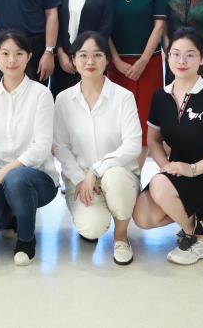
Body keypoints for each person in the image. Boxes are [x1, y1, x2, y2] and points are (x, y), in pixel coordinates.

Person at [132, 28, 203, 266]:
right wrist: (166, 166)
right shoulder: (160, 97)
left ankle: (197, 238)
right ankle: (195, 216)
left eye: (190, 55)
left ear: (202, 58)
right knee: (142, 216)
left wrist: (192, 169)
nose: (181, 61)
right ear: (167, 56)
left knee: (160, 185)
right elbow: (153, 140)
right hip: (179, 173)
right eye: (175, 54)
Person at [53, 31, 141, 265]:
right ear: (73, 60)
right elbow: (60, 147)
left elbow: (132, 146)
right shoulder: (63, 99)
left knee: (115, 178)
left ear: (107, 59)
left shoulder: (123, 97)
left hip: (119, 174)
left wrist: (97, 171)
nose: (90, 61)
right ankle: (95, 212)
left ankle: (121, 237)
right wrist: (81, 178)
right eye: (83, 55)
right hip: (81, 178)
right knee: (91, 228)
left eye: (97, 55)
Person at [0, 30, 59, 266]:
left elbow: (41, 148)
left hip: (37, 177)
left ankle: (26, 239)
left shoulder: (41, 94)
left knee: (16, 178)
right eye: (5, 53)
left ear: (29, 56)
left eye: (19, 53)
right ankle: (16, 212)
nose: (11, 60)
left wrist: (3, 173)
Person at [107, 0, 166, 164]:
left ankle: (135, 176)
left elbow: (159, 25)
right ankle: (114, 172)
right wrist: (116, 61)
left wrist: (142, 61)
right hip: (117, 65)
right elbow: (105, 28)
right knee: (117, 122)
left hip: (148, 63)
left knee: (144, 121)